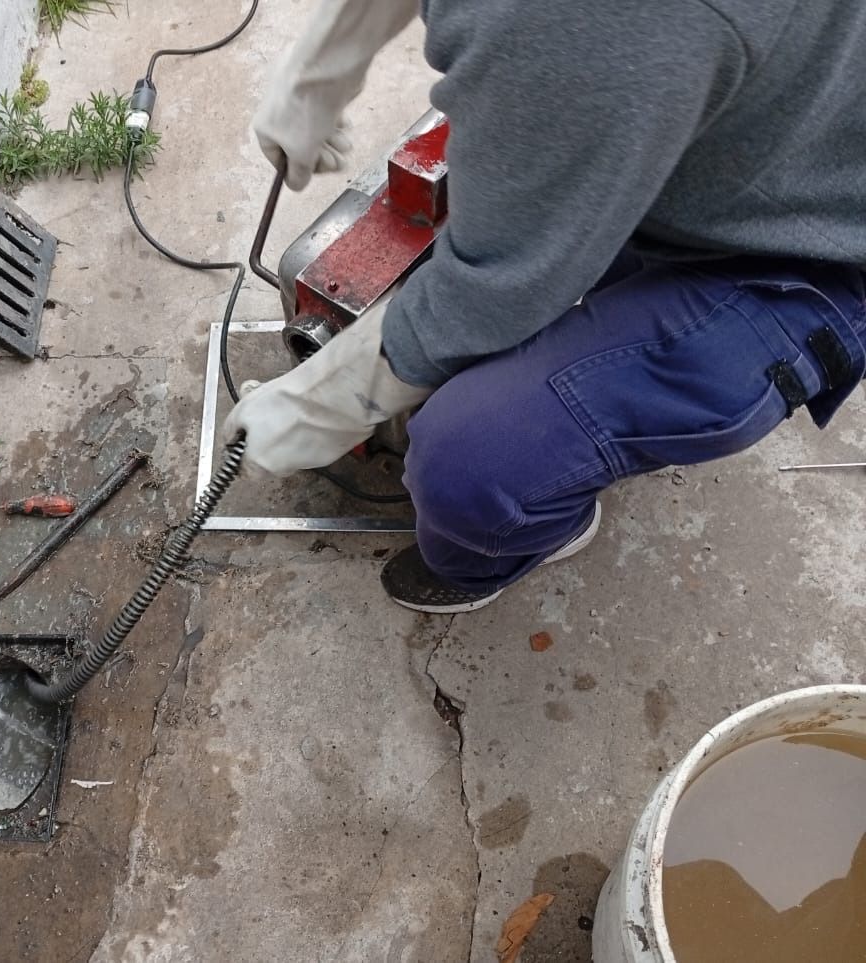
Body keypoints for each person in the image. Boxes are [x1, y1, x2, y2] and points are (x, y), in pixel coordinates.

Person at [225, 0, 866, 614]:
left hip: (809, 247)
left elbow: (498, 287)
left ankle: (510, 542)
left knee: (471, 460)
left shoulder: (600, 21)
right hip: (741, 120)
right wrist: (320, 69)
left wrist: (326, 404)